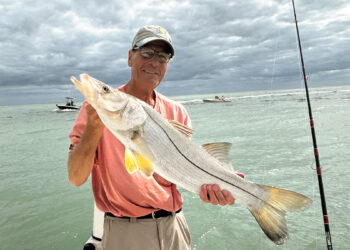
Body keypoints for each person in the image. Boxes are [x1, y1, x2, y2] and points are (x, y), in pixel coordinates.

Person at [67, 25, 242, 250]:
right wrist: (93, 127)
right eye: (147, 53)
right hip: (125, 231)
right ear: (130, 57)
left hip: (174, 226)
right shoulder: (92, 110)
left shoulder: (177, 111)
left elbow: (184, 171)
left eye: (163, 56)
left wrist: (216, 188)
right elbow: (75, 177)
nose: (154, 62)